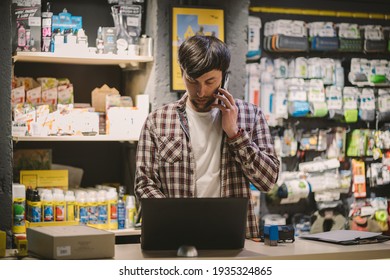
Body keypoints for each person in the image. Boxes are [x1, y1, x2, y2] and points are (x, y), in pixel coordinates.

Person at [135, 35, 280, 238]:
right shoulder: (157, 121)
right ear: (181, 72)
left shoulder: (251, 115)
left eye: (210, 81)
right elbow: (144, 184)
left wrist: (235, 134)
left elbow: (268, 181)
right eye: (192, 81)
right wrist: (175, 219)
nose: (201, 91)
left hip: (234, 238)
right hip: (176, 238)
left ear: (224, 77)